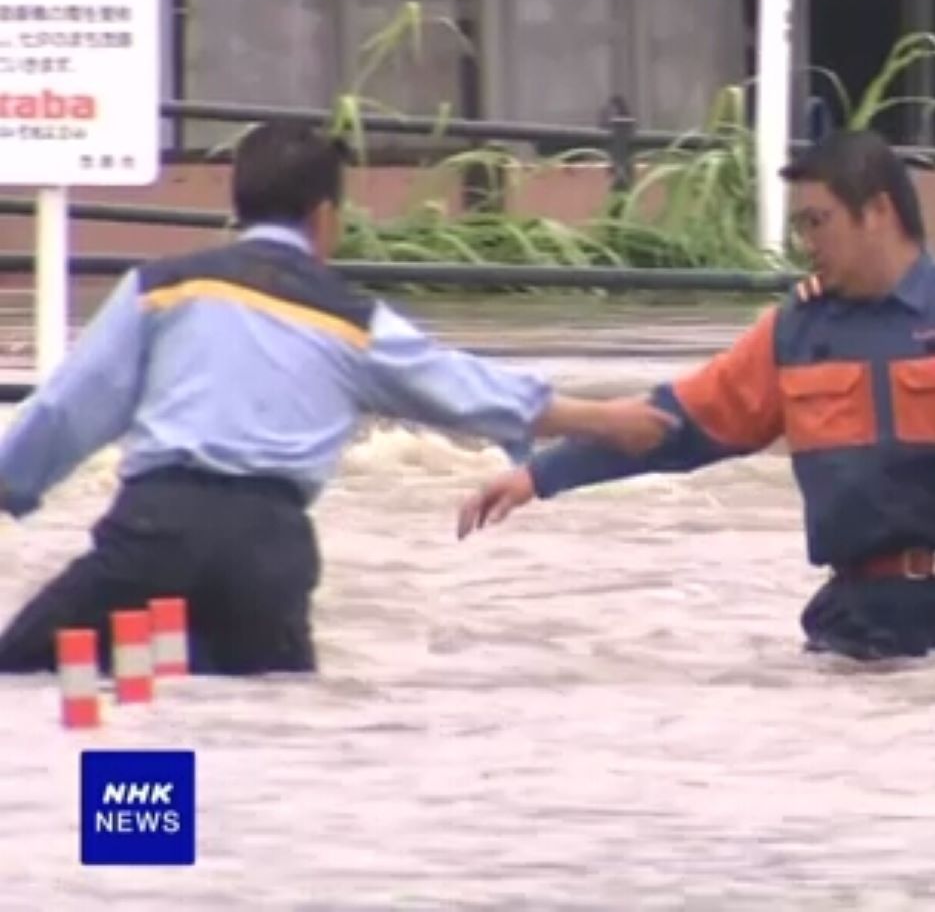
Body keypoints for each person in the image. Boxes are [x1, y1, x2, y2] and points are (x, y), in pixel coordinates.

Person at [0, 121, 669, 676]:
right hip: (267, 551)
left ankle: (135, 830)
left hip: (154, 532)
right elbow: (465, 389)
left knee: (32, 677)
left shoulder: (161, 289)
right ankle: (224, 833)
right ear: (325, 217)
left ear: (240, 205)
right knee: (273, 734)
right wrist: (604, 418)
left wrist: (11, 484)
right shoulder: (350, 321)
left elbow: (69, 406)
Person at [453, 129, 935, 661]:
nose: (805, 242)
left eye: (817, 222)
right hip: (859, 620)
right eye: (799, 225)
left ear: (877, 211)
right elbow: (673, 425)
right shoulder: (796, 332)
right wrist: (540, 475)